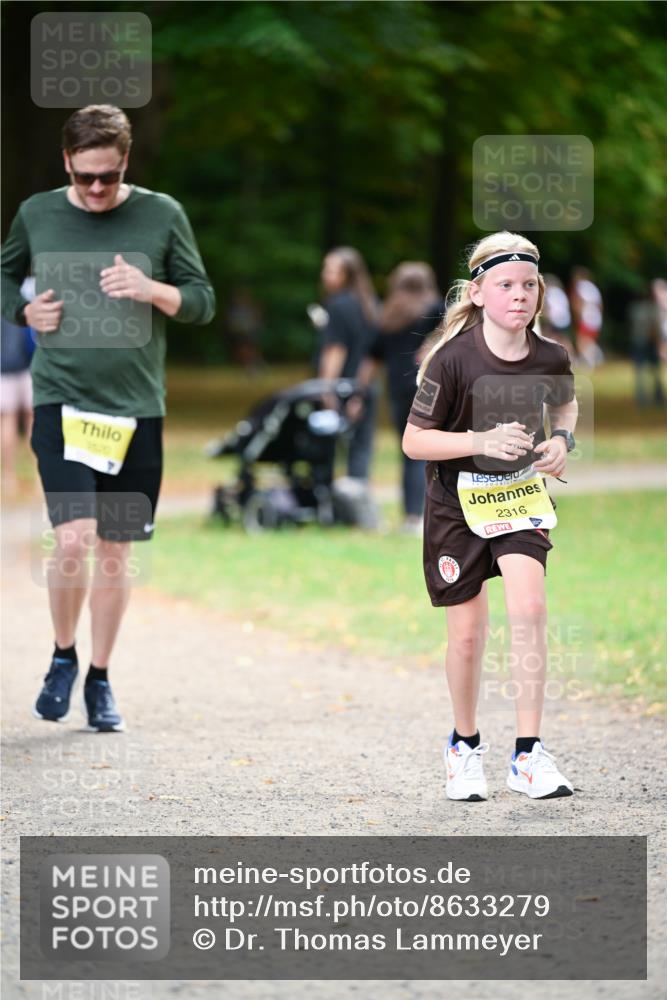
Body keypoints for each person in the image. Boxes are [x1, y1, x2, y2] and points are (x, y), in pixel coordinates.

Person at [1, 104, 215, 731]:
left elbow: (201, 301)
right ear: (67, 161)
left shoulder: (162, 214)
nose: (98, 190)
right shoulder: (37, 213)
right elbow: (4, 274)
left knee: (116, 552)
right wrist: (22, 313)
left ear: (125, 163)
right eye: (87, 176)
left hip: (136, 410)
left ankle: (99, 677)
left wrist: (153, 290)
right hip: (61, 402)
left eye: (111, 177)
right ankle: (63, 655)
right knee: (72, 538)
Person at [403, 231, 578, 801]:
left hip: (519, 497)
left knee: (529, 608)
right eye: (505, 285)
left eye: (529, 285)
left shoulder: (551, 354)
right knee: (469, 635)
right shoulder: (451, 359)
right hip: (456, 505)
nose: (519, 295)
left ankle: (528, 754)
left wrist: (560, 441)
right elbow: (413, 441)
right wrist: (478, 438)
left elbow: (566, 402)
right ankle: (464, 745)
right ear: (478, 292)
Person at [357, 262, 444, 533]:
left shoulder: (388, 315)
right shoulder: (436, 309)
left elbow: (371, 359)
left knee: (409, 451)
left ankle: (411, 516)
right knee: (433, 452)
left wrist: (358, 393)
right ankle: (432, 513)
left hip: (397, 389)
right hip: (430, 388)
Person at [316, 247, 379, 481]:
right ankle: (357, 498)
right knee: (361, 449)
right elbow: (373, 354)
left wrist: (326, 389)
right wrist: (361, 391)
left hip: (340, 386)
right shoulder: (371, 305)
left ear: (348, 275)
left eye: (331, 270)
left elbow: (335, 350)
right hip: (365, 385)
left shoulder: (338, 305)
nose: (325, 275)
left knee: (328, 447)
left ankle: (327, 501)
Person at [1, 278, 35, 495]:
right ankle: (37, 472)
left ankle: (8, 476)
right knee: (33, 418)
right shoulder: (26, 290)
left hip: (3, 367)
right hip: (27, 364)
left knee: (8, 419)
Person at [570, 266, 604, 367]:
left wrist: (578, 315)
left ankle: (593, 360)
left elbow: (578, 302)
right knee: (588, 341)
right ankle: (594, 359)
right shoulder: (593, 287)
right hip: (596, 318)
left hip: (586, 317)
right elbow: (600, 305)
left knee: (581, 341)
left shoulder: (580, 286)